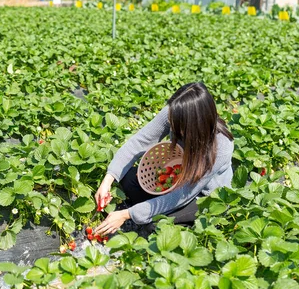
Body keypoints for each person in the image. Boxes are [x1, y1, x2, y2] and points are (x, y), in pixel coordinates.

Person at [93, 82, 234, 236]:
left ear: (194, 125)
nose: (172, 125)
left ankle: (188, 226)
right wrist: (108, 180)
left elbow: (182, 195)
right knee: (127, 180)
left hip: (202, 196)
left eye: (178, 125)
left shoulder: (221, 146)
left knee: (154, 228)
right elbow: (139, 142)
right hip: (176, 180)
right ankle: (150, 211)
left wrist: (127, 214)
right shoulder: (176, 111)